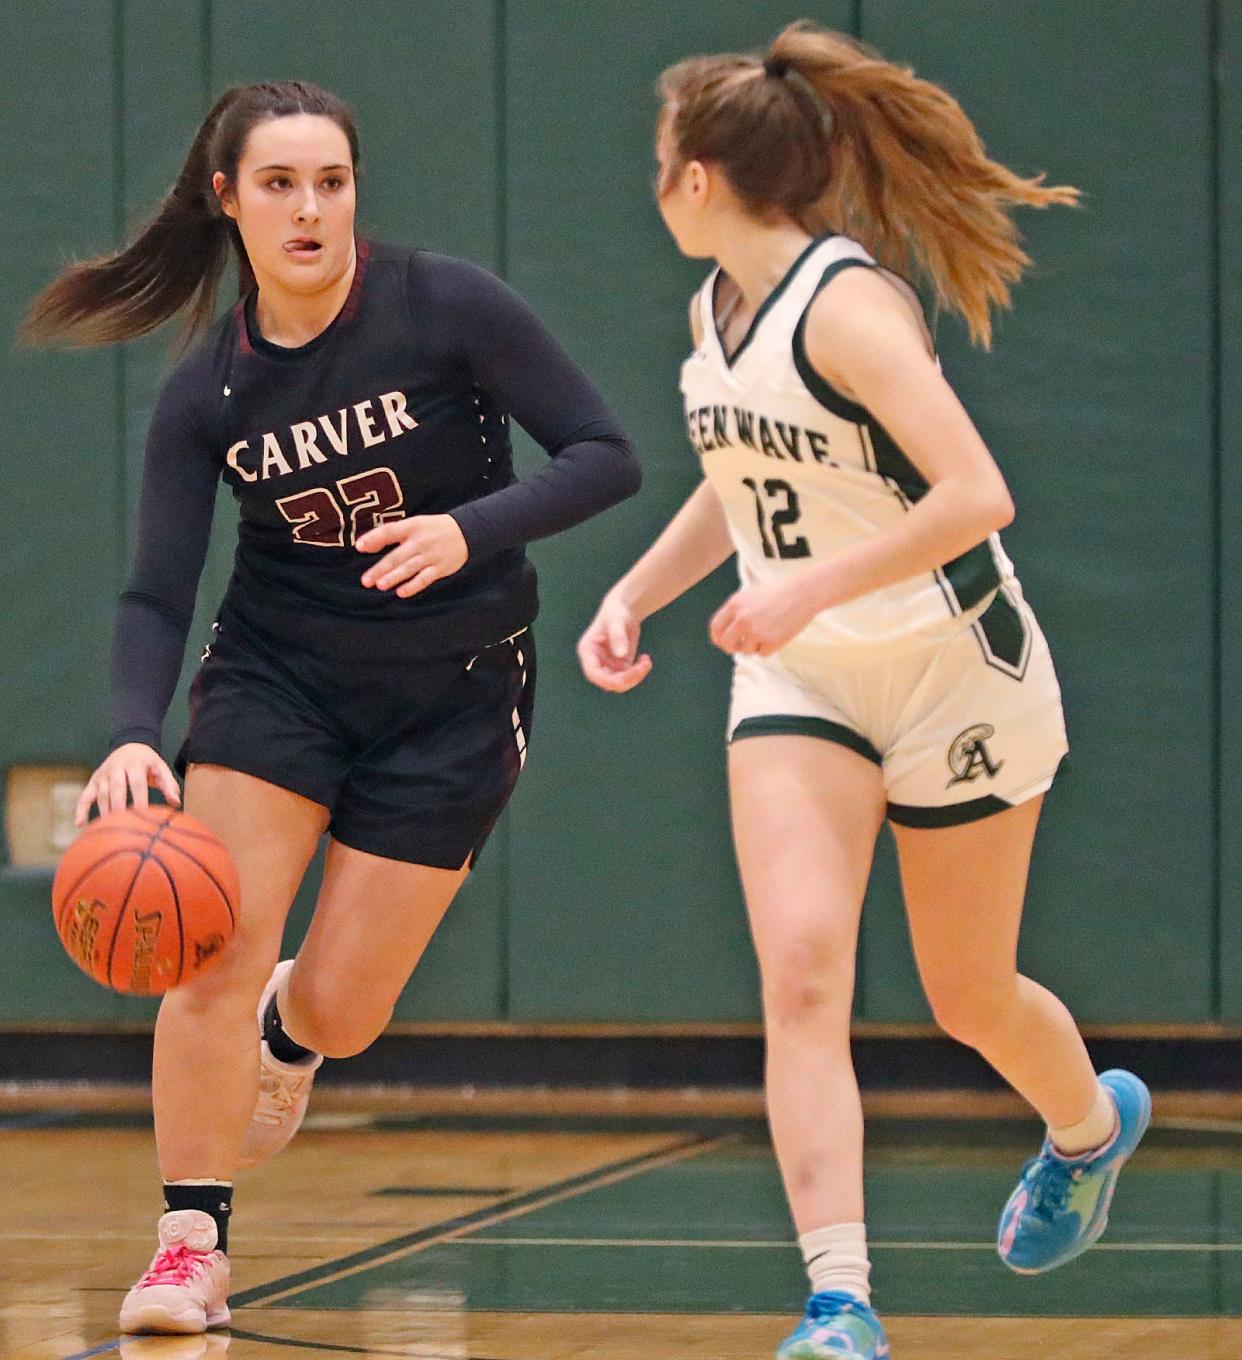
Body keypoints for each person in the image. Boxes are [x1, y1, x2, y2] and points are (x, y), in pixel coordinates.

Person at [24, 80, 639, 1336]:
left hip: (457, 695)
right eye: (280, 185)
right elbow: (155, 592)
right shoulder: (212, 393)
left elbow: (603, 453)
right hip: (279, 682)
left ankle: (291, 1040)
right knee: (208, 950)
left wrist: (467, 533)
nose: (310, 210)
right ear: (228, 200)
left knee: (344, 1008)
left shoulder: (445, 304)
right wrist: (136, 733)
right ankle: (189, 1243)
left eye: (332, 182)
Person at [578, 24, 1147, 1360]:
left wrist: (809, 586)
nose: (651, 180)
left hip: (953, 672)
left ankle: (1086, 1127)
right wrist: (634, 593)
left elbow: (975, 495)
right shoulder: (711, 310)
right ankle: (838, 1303)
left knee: (967, 994)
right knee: (799, 970)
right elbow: (745, 491)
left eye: (661, 159)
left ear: (704, 174)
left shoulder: (847, 304)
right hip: (802, 676)